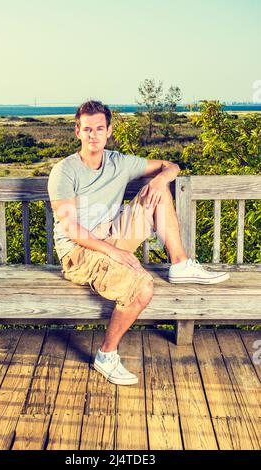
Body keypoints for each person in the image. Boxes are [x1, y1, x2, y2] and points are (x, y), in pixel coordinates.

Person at [48, 100, 229, 386]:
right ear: (77, 132)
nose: (93, 134)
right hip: (80, 251)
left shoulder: (119, 162)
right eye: (87, 129)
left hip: (111, 234)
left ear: (108, 131)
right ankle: (106, 355)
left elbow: (171, 165)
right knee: (143, 288)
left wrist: (160, 181)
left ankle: (180, 265)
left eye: (99, 128)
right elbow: (71, 229)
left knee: (158, 193)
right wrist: (114, 252)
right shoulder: (64, 171)